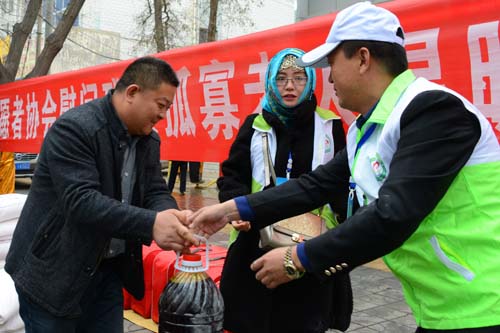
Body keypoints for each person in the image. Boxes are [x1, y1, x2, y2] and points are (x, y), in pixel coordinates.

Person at [189, 2, 500, 332]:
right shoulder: (367, 129)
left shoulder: (434, 111)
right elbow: (316, 185)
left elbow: (392, 214)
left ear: (363, 59)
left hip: (484, 306)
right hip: (440, 307)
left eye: (332, 62)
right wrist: (232, 209)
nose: (329, 77)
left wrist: (298, 259)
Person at [5, 56, 198, 333]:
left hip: (106, 271)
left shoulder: (149, 140)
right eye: (161, 105)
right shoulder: (76, 129)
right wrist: (151, 224)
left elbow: (154, 189)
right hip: (53, 273)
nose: (163, 116)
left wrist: (169, 214)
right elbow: (82, 202)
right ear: (132, 92)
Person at [216, 47, 351, 333]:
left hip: (311, 245)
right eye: (281, 78)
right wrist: (234, 208)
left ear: (311, 82)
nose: (290, 86)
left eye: (299, 78)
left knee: (303, 322)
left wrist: (342, 222)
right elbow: (231, 176)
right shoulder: (255, 125)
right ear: (270, 83)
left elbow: (344, 181)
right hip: (255, 242)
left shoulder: (331, 126)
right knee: (252, 321)